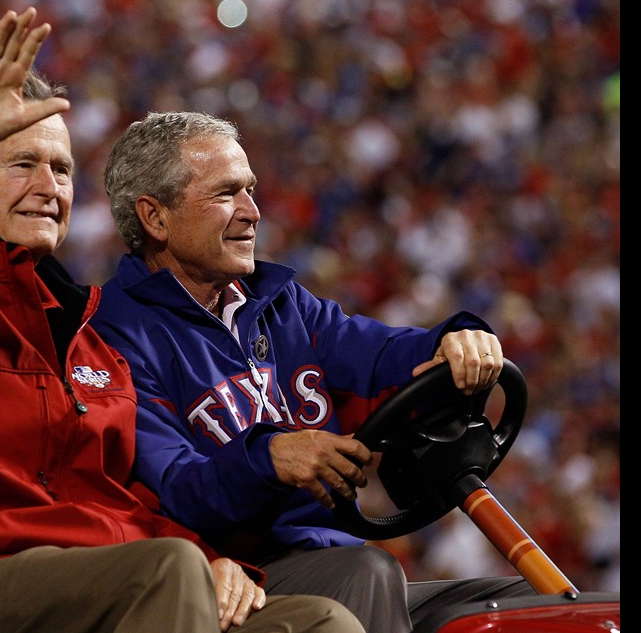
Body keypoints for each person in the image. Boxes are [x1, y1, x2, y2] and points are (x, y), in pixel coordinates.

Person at [0, 8, 364, 633]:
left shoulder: (86, 338)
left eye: (62, 170)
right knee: (168, 572)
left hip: (91, 581)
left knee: (320, 621)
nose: (50, 186)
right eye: (22, 164)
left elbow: (113, 499)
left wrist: (215, 559)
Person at [89, 111, 537, 633]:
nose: (253, 212)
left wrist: (457, 340)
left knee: (527, 606)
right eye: (226, 194)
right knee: (367, 569)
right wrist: (270, 458)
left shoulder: (282, 305)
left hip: (337, 561)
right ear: (155, 217)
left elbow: (389, 356)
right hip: (234, 576)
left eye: (251, 190)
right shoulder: (112, 337)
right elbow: (175, 490)